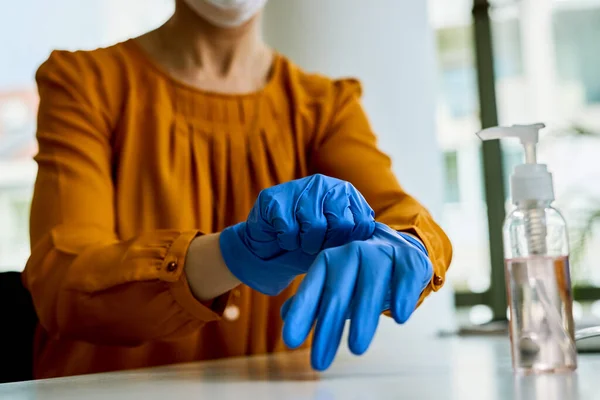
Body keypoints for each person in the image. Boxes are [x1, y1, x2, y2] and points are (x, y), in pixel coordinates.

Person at [23, 0, 452, 379]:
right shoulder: (87, 84)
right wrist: (229, 255)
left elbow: (397, 211)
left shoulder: (324, 106)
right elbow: (65, 280)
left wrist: (410, 244)